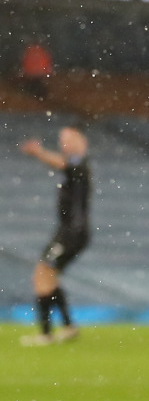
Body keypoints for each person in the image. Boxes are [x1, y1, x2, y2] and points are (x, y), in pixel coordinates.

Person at [19, 126, 91, 346]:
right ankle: (67, 327)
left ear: (82, 141)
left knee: (43, 273)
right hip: (68, 231)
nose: (64, 144)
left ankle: (46, 333)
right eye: (62, 140)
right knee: (46, 276)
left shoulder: (79, 164)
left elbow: (64, 164)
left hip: (72, 232)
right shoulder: (77, 166)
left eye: (69, 139)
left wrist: (39, 152)